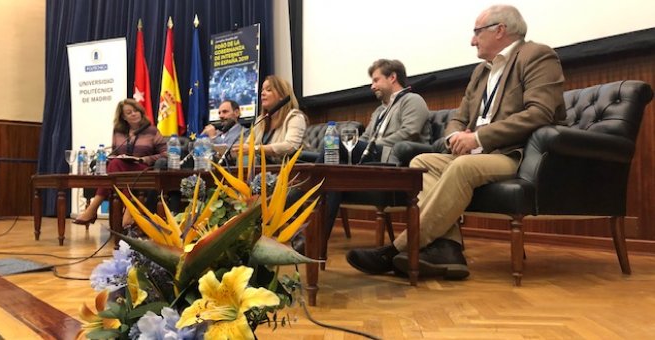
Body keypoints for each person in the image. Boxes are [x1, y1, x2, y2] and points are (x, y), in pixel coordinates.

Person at [346, 4, 566, 280]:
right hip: (477, 153)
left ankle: (397, 248)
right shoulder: (481, 72)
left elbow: (539, 113)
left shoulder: (537, 55)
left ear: (500, 30)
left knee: (460, 168)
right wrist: (453, 136)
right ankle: (448, 249)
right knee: (422, 162)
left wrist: (479, 137)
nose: (472, 40)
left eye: (477, 32)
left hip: (515, 153)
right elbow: (459, 118)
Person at [317, 59, 431, 245]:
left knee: (334, 143)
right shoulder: (379, 111)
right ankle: (317, 236)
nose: (372, 86)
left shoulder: (412, 100)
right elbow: (364, 139)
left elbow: (409, 133)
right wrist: (362, 146)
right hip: (372, 158)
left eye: (376, 80)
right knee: (334, 171)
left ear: (392, 77)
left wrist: (371, 146)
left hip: (395, 159)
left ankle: (311, 215)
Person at [74, 98, 167, 226]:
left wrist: (145, 159)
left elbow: (166, 154)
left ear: (141, 112)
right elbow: (115, 153)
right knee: (115, 163)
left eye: (136, 111)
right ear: (123, 117)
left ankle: (92, 209)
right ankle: (128, 211)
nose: (134, 114)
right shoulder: (118, 132)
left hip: (143, 169)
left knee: (116, 167)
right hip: (122, 168)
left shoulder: (152, 131)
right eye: (129, 113)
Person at [232, 75, 308, 164]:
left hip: (288, 170)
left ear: (282, 96)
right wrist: (235, 150)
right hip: (262, 171)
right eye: (262, 90)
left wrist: (256, 149)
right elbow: (248, 145)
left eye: (268, 90)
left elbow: (290, 146)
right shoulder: (261, 120)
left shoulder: (295, 117)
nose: (262, 93)